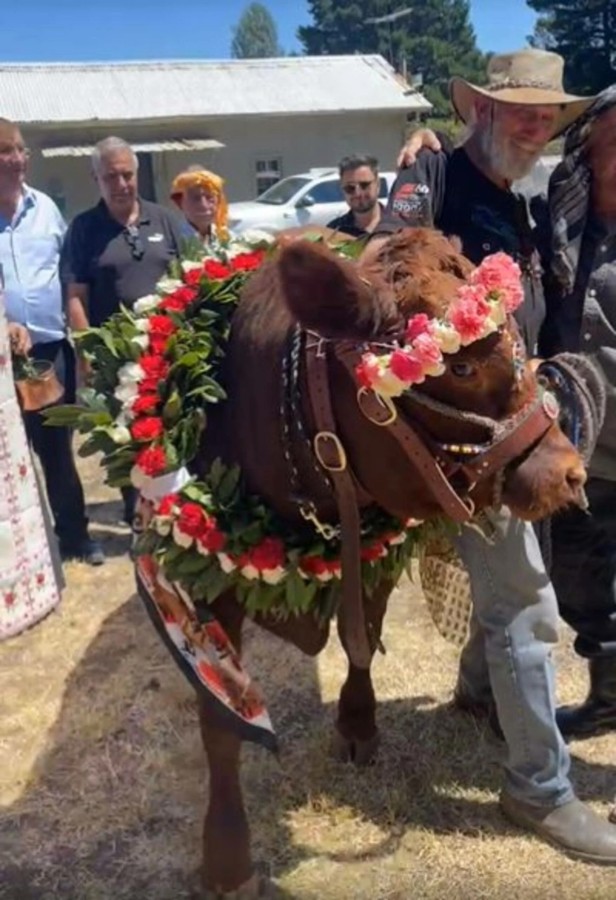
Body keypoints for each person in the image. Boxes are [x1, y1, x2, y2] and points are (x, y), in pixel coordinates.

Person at [368, 50, 616, 862]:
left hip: (519, 423)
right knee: (525, 601)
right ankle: (539, 790)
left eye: (546, 112)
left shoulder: (521, 202)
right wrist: (414, 152)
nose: (534, 122)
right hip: (460, 439)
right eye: (518, 108)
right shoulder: (432, 177)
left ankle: (478, 693)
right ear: (479, 109)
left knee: (519, 575)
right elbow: (383, 270)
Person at [540, 86, 616, 740]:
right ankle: (609, 699)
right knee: (580, 583)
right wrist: (425, 155)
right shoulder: (557, 225)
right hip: (581, 449)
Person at [61, 137, 185, 527]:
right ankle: (140, 521)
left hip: (169, 353)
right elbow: (75, 297)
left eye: (127, 174)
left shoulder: (164, 219)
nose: (121, 184)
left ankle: (179, 514)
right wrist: (89, 354)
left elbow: (190, 277)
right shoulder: (83, 229)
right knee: (130, 444)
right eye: (111, 176)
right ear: (96, 178)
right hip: (117, 363)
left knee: (176, 434)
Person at [0, 117, 103, 566]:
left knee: (56, 452)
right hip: (2, 360)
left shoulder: (46, 209)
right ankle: (19, 555)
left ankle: (75, 539)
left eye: (21, 150)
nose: (19, 159)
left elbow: (68, 276)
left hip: (45, 354)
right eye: (7, 151)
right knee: (8, 462)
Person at [170, 165, 230, 246]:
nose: (203, 205)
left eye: (209, 197)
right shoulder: (173, 241)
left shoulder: (227, 239)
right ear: (180, 203)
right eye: (195, 198)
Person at [327, 154, 384, 237]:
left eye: (364, 185)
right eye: (350, 188)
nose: (358, 193)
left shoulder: (398, 226)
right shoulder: (333, 231)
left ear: (378, 184)